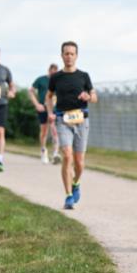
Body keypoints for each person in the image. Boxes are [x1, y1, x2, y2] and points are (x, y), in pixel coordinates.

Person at [46, 41, 96, 210]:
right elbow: (48, 96)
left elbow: (94, 97)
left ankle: (76, 183)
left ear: (76, 56)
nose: (69, 57)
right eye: (66, 53)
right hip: (63, 120)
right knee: (67, 156)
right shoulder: (56, 77)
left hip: (81, 120)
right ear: (62, 55)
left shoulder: (84, 76)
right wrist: (50, 112)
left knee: (79, 162)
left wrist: (88, 97)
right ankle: (68, 196)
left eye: (72, 54)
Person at [30, 63, 60, 163]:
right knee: (44, 131)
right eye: (52, 71)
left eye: (55, 72)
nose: (53, 74)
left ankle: (55, 154)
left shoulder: (59, 81)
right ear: (49, 70)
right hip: (43, 108)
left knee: (54, 130)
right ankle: (43, 151)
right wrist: (37, 104)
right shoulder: (41, 80)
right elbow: (31, 91)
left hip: (54, 109)